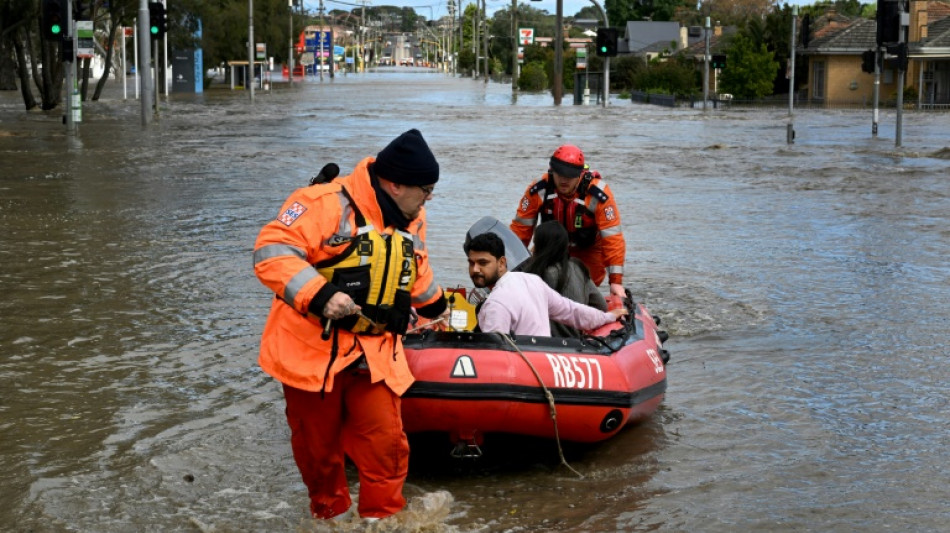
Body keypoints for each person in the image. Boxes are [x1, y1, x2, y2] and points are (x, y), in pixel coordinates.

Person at [252, 129, 449, 521]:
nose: (429, 198)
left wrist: (437, 305)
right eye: (425, 189)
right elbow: (270, 252)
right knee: (320, 457)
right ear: (395, 184)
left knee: (388, 449)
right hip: (312, 355)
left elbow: (416, 270)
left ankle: (382, 522)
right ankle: (330, 519)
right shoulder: (320, 203)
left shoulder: (413, 217)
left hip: (375, 354)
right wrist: (321, 295)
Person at [510, 144, 627, 298]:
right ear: (552, 170)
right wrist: (509, 269)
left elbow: (612, 239)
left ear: (580, 174)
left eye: (570, 176)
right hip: (549, 248)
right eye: (559, 174)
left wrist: (616, 282)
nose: (564, 180)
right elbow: (520, 232)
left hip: (588, 250)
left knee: (578, 291)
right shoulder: (539, 189)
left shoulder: (598, 195)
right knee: (536, 284)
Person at [465, 232, 626, 337]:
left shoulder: (495, 304)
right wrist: (608, 317)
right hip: (544, 362)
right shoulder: (531, 281)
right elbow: (572, 312)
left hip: (522, 376)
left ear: (502, 263)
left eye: (483, 263)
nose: (475, 269)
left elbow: (493, 353)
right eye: (471, 263)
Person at [521, 220, 607, 338]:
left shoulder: (541, 274)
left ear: (541, 245)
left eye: (535, 243)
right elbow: (601, 305)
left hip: (549, 343)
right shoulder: (578, 267)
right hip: (576, 341)